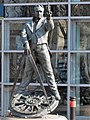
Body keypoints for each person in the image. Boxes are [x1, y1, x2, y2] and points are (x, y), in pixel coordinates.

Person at [18, 5, 61, 100]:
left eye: (41, 12)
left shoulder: (45, 22)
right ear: (34, 12)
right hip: (31, 50)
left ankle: (55, 92)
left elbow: (51, 27)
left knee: (48, 72)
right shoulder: (28, 24)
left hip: (42, 49)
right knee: (27, 73)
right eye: (37, 11)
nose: (39, 13)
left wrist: (49, 18)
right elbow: (23, 34)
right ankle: (19, 93)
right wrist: (26, 44)